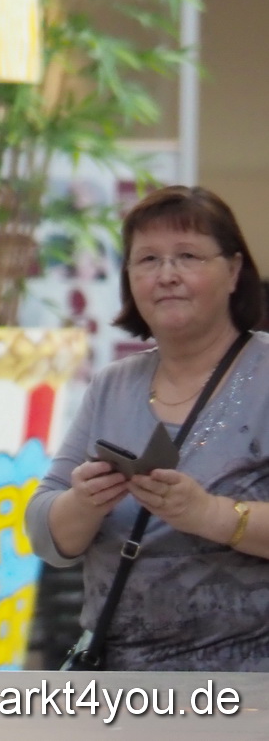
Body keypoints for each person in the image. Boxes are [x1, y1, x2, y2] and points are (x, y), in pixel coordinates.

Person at [26, 186, 269, 670]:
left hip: (249, 683)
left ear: (234, 271)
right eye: (148, 260)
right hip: (118, 684)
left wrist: (211, 514)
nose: (167, 275)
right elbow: (45, 534)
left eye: (188, 256)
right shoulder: (113, 384)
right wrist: (84, 502)